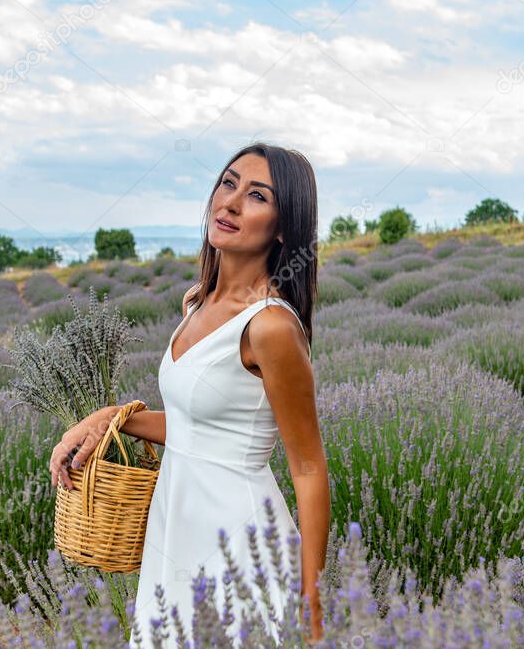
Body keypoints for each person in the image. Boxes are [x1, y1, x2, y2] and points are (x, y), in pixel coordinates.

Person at [48, 142, 329, 646]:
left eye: (257, 196)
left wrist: (311, 600)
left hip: (241, 544)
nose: (231, 203)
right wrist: (111, 418)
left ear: (284, 226)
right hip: (174, 532)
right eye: (228, 184)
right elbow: (198, 429)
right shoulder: (196, 303)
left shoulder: (270, 327)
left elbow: (308, 468)